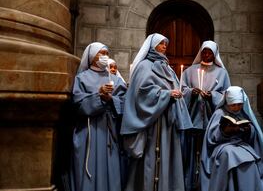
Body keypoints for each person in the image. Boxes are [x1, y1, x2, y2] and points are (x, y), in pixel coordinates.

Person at [121, 33, 193, 191]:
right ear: (152, 46)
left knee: (169, 158)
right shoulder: (144, 66)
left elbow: (175, 87)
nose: (164, 46)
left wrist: (177, 94)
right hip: (153, 123)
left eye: (165, 44)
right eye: (161, 43)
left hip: (168, 122)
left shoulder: (167, 67)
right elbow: (142, 93)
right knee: (150, 159)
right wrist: (167, 94)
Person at [70, 42, 127, 191]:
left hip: (109, 131)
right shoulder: (81, 78)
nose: (105, 56)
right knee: (89, 167)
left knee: (110, 167)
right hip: (89, 130)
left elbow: (124, 102)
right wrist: (99, 95)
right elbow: (77, 105)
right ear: (92, 56)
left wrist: (111, 99)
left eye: (106, 53)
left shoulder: (115, 79)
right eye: (101, 53)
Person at [200, 86, 263, 191]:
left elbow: (253, 136)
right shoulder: (219, 113)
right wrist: (224, 131)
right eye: (233, 105)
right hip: (222, 146)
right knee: (229, 155)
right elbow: (211, 138)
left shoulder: (243, 113)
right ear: (227, 103)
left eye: (240, 104)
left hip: (241, 144)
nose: (237, 108)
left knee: (250, 159)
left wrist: (248, 130)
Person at [181, 40, 231, 190]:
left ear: (215, 54)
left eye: (210, 52)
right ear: (200, 52)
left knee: (209, 151)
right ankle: (189, 182)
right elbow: (181, 90)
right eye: (204, 52)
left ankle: (208, 183)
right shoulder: (189, 71)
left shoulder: (222, 73)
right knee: (190, 152)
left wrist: (213, 96)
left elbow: (227, 94)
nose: (207, 54)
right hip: (193, 117)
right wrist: (191, 92)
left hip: (211, 118)